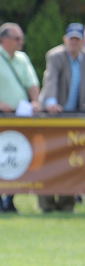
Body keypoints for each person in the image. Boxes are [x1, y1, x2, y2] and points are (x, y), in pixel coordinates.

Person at [0, 22, 41, 214]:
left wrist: (35, 102)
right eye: (17, 38)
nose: (21, 42)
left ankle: (10, 199)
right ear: (4, 39)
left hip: (19, 116)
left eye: (22, 38)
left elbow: (32, 83)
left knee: (19, 157)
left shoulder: (23, 59)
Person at [37, 22, 84, 213]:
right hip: (53, 117)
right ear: (65, 40)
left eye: (78, 39)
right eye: (71, 39)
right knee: (48, 161)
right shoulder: (55, 56)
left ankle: (67, 204)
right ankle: (47, 205)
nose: (74, 42)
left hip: (74, 120)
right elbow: (51, 79)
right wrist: (50, 102)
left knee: (71, 163)